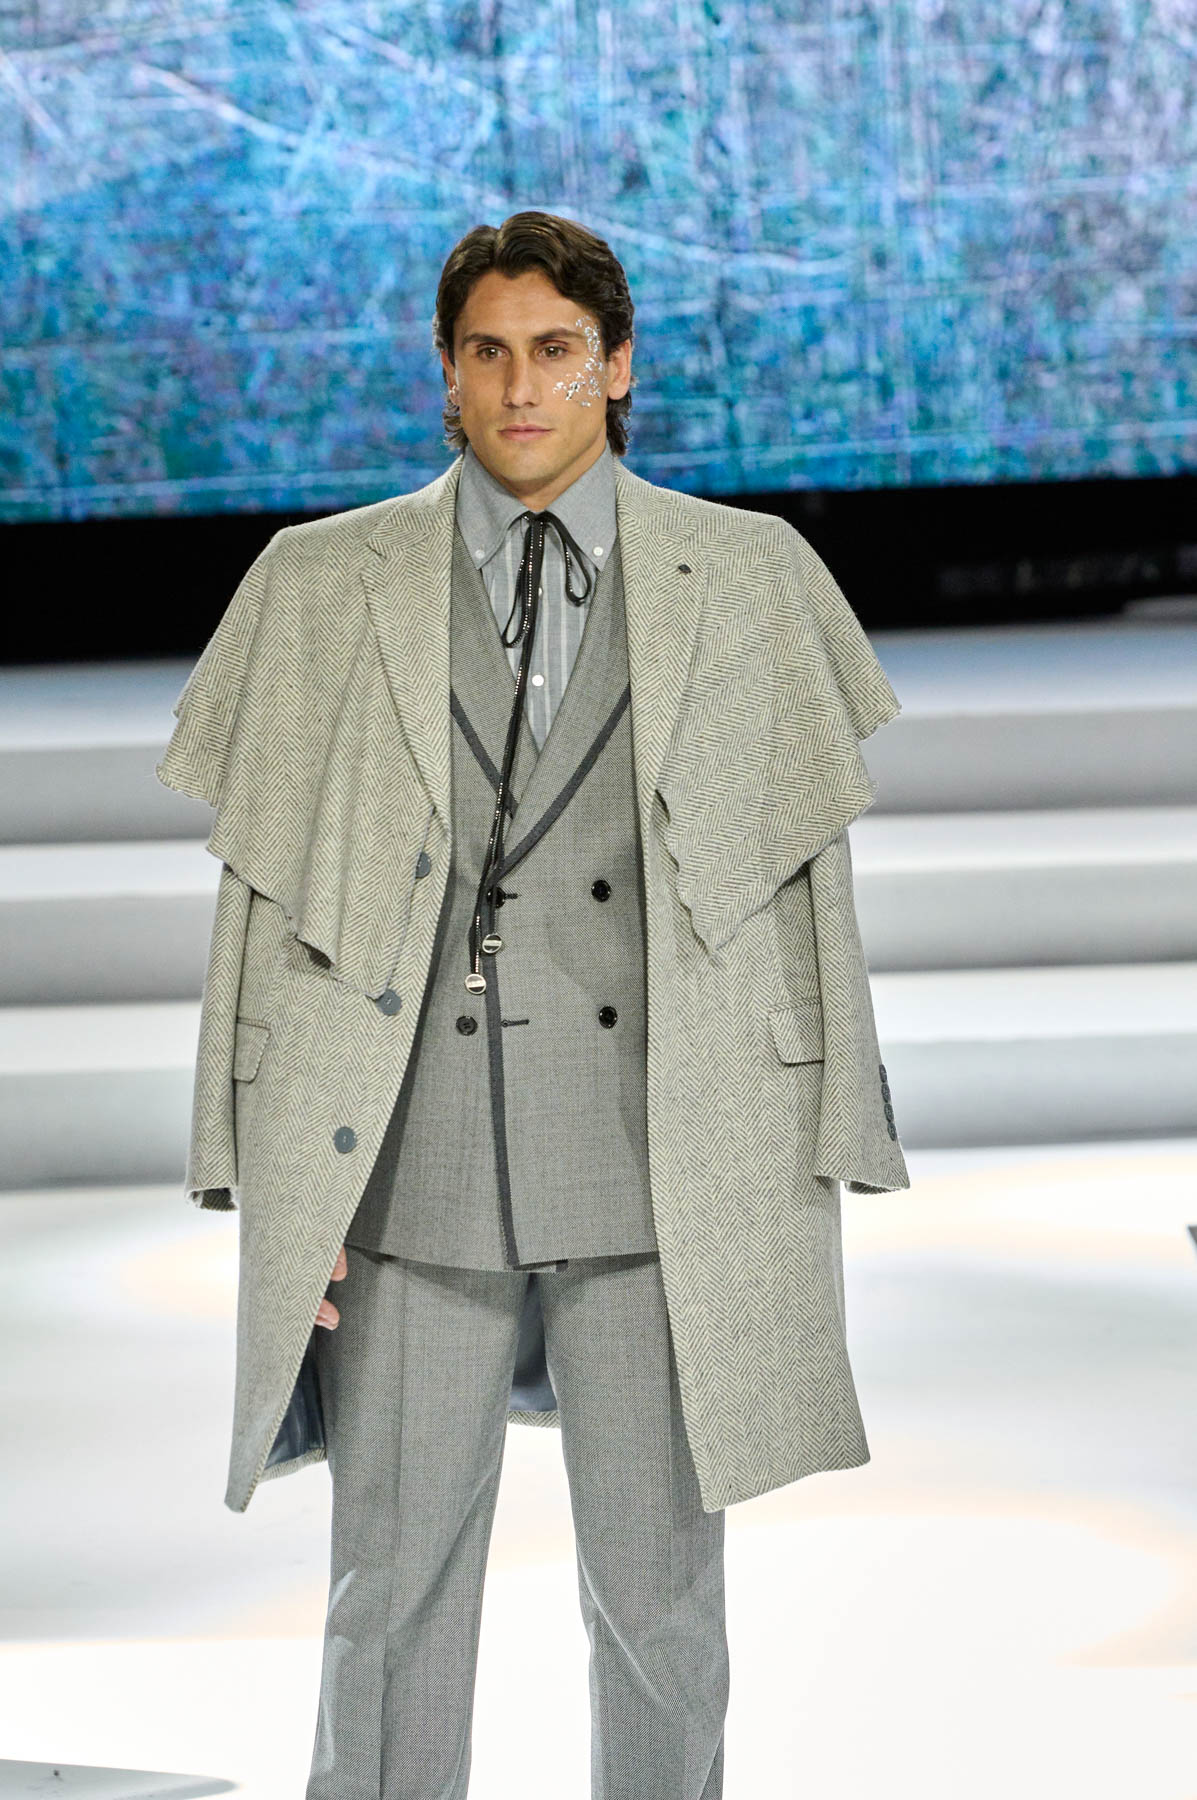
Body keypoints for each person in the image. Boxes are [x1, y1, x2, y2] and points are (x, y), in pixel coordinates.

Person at [158, 209, 910, 1800]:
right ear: (443, 373)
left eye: (555, 352)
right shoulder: (321, 582)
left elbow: (806, 892)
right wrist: (265, 1177)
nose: (519, 389)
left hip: (657, 1166)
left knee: (661, 1607)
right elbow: (264, 902)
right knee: (387, 1599)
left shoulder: (748, 576)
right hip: (410, 1166)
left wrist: (831, 1133)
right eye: (486, 353)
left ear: (615, 366)